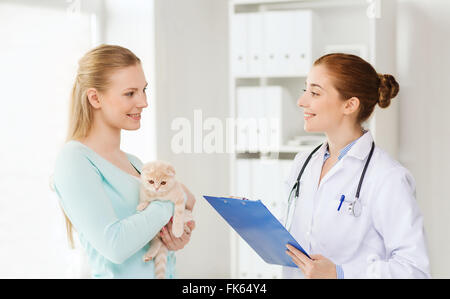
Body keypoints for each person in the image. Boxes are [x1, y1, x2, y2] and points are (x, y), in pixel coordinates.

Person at [53, 44, 195, 278]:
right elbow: (115, 245)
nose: (143, 102)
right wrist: (173, 198)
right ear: (95, 98)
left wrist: (175, 235)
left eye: (144, 90)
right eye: (130, 93)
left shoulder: (135, 163)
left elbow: (146, 235)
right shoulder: (74, 160)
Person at [283, 53, 430, 279]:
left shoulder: (387, 177)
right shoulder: (303, 163)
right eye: (305, 90)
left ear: (350, 105)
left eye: (314, 92)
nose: (302, 101)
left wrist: (341, 274)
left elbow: (414, 270)